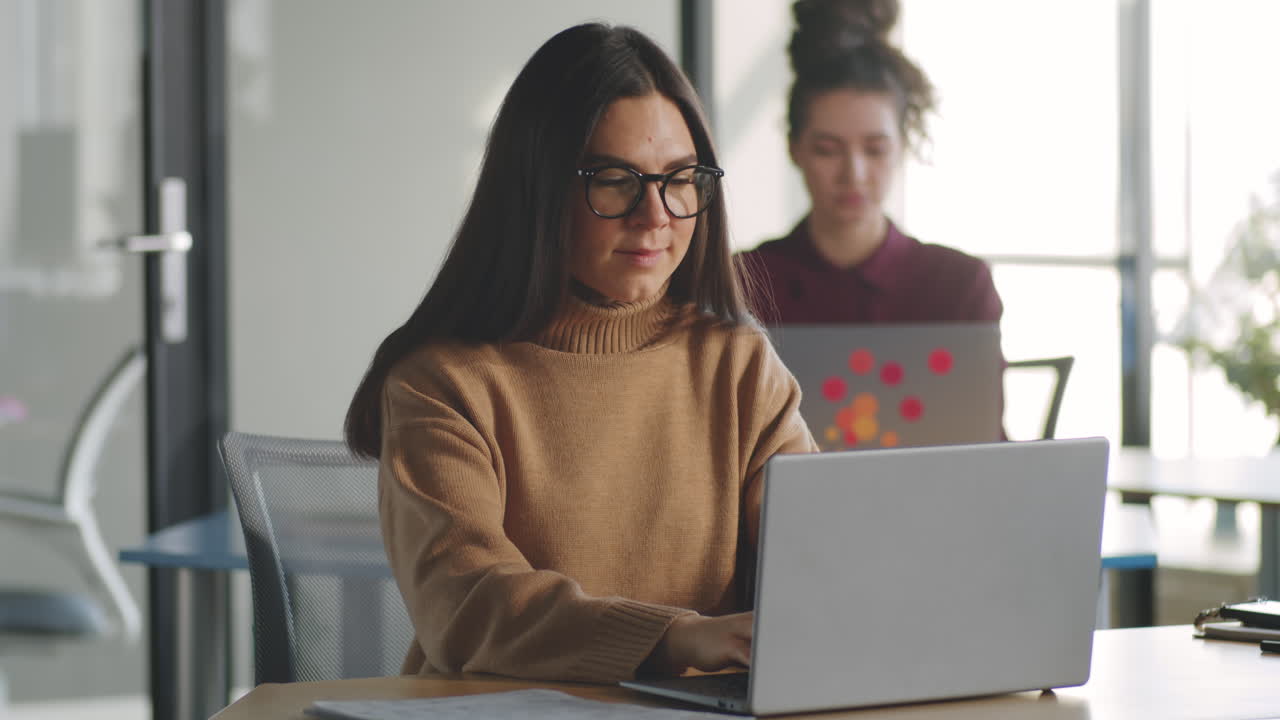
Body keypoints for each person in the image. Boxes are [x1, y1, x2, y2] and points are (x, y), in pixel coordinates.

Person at [343, 23, 816, 684]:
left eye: (680, 180)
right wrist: (677, 637)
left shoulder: (738, 367)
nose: (656, 215)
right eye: (616, 180)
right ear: (538, 191)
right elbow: (468, 607)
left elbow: (819, 568)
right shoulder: (441, 384)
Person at [737, 0, 1003, 326]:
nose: (854, 174)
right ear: (795, 148)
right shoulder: (742, 285)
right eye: (827, 150)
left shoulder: (959, 285)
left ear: (902, 147)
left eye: (875, 150)